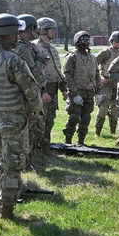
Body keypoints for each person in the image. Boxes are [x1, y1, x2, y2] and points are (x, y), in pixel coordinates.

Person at [0, 13, 41, 220]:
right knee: (13, 166)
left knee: (2, 162)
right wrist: (33, 108)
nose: (18, 38)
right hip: (13, 120)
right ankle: (7, 212)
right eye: (15, 34)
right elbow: (31, 90)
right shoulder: (13, 61)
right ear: (7, 35)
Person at [15, 14, 50, 162]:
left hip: (32, 92)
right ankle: (27, 160)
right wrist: (40, 56)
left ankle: (30, 158)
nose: (36, 32)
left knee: (36, 128)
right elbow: (35, 73)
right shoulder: (23, 48)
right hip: (28, 93)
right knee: (31, 129)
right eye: (34, 29)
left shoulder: (26, 46)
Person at [33, 17, 67, 155]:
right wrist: (42, 91)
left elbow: (58, 71)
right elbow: (34, 73)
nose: (54, 32)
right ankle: (33, 152)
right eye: (51, 29)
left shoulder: (53, 48)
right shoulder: (35, 47)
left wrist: (64, 90)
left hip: (53, 89)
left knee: (49, 121)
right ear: (43, 31)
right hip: (42, 90)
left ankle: (46, 150)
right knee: (38, 122)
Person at [62, 30, 99, 145]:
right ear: (78, 41)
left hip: (89, 92)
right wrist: (74, 93)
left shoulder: (92, 57)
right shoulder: (72, 57)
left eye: (88, 40)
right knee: (74, 116)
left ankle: (81, 141)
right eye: (84, 40)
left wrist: (98, 92)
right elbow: (67, 74)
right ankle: (68, 139)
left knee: (86, 118)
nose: (87, 42)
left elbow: (97, 74)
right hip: (76, 92)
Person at [95, 31, 119, 137]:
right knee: (103, 108)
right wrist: (100, 78)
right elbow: (93, 65)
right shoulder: (105, 52)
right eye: (115, 41)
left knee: (115, 109)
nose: (117, 43)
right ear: (111, 41)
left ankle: (113, 131)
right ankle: (97, 131)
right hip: (105, 83)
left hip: (117, 84)